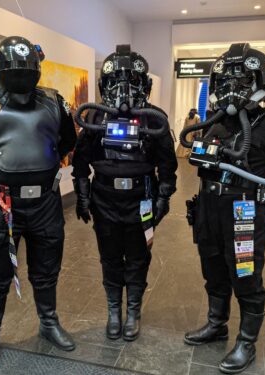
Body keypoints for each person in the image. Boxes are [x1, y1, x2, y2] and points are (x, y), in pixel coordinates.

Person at [0, 36, 77, 368]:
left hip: (45, 202)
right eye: (12, 71)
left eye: (25, 70)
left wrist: (44, 163)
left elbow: (67, 140)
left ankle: (48, 323)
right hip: (0, 204)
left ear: (35, 70)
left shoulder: (54, 101)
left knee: (47, 268)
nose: (19, 77)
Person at [181, 43, 265, 374]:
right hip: (208, 210)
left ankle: (246, 341)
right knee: (214, 270)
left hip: (244, 213)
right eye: (227, 82)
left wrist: (262, 197)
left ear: (259, 81)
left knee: (246, 275)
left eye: (243, 80)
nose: (233, 89)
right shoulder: (215, 120)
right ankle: (216, 323)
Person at [71, 45, 177, 342]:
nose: (124, 88)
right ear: (105, 84)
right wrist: (82, 196)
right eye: (117, 79)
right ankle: (113, 311)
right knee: (109, 258)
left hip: (141, 198)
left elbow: (168, 165)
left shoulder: (155, 119)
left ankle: (133, 311)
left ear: (145, 84)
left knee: (138, 257)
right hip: (104, 199)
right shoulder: (93, 116)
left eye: (132, 79)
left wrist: (163, 198)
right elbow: (80, 162)